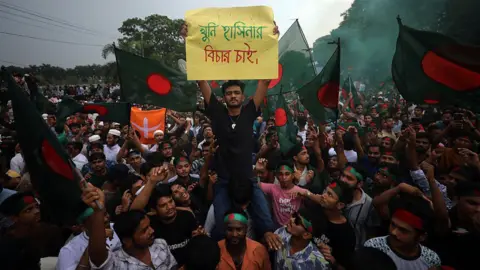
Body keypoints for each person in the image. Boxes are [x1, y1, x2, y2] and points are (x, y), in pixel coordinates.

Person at [82, 183, 177, 269]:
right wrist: (99, 210)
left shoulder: (161, 244)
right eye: (144, 231)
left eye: (149, 226)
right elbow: (97, 255)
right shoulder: (117, 263)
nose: (152, 231)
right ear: (127, 240)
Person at [364, 193, 441, 270]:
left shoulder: (431, 259)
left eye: (403, 230)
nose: (393, 232)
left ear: (421, 236)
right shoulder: (374, 247)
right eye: (393, 225)